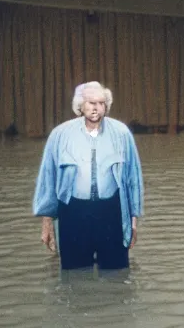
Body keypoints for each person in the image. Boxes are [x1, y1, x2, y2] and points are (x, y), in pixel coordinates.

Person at [33, 81, 144, 270]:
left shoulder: (122, 134)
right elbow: (48, 178)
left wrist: (133, 222)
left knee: (116, 273)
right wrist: (47, 223)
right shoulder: (60, 135)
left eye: (101, 103)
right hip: (73, 213)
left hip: (112, 213)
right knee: (73, 274)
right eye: (91, 103)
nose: (96, 108)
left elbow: (133, 179)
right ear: (80, 106)